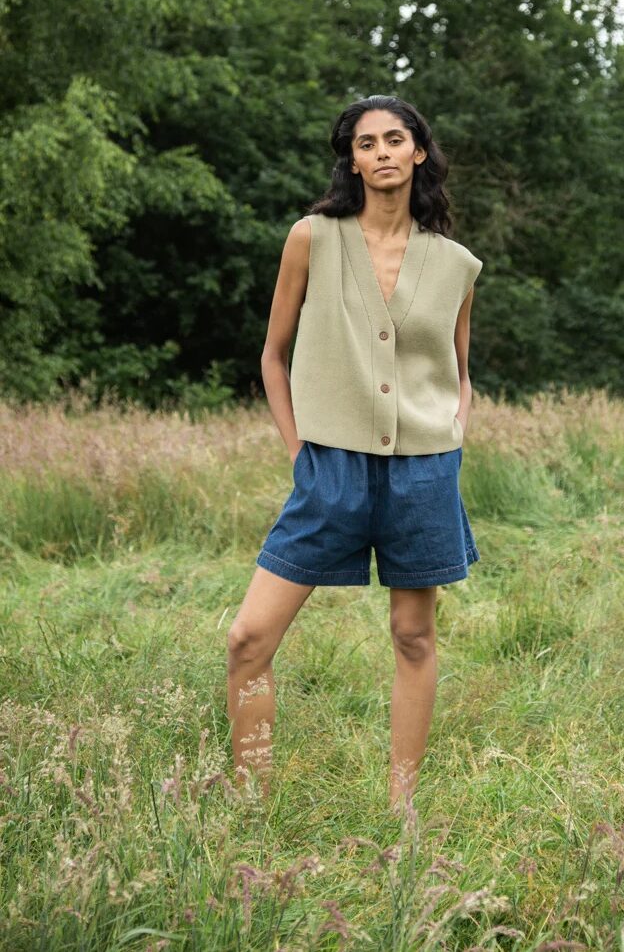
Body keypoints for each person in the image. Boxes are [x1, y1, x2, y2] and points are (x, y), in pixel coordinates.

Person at [226, 94, 483, 813]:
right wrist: (297, 451)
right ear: (353, 160)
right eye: (366, 143)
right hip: (328, 469)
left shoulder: (457, 265)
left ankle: (402, 809)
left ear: (418, 152)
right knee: (248, 636)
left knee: (412, 634)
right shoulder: (312, 238)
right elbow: (273, 356)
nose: (381, 153)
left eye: (394, 139)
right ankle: (252, 802)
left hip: (424, 470)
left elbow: (462, 373)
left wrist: (453, 433)